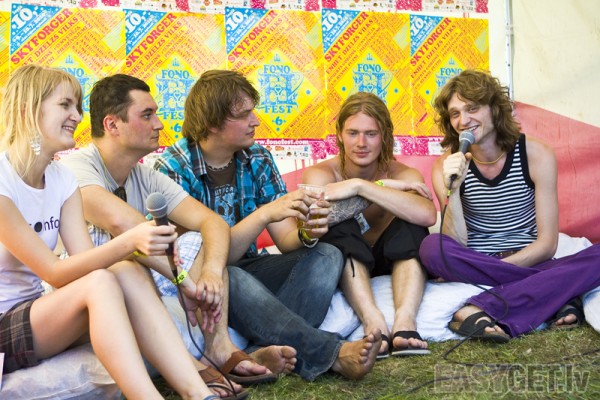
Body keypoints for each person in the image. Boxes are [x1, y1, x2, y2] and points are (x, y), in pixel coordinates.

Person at [60, 74, 292, 399]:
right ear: (112, 124)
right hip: (88, 295)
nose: (159, 123)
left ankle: (219, 348)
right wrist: (184, 281)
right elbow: (124, 226)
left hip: (147, 285)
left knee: (200, 241)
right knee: (126, 262)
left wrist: (210, 273)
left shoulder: (145, 174)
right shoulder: (76, 166)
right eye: (147, 115)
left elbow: (212, 222)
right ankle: (195, 368)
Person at [0, 64, 218, 400]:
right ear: (27, 109)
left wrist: (182, 282)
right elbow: (55, 273)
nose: (76, 116)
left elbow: (86, 262)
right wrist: (130, 240)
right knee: (102, 280)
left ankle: (198, 392)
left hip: (37, 313)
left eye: (77, 107)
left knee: (122, 270)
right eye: (65, 105)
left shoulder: (62, 179)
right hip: (6, 324)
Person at [154, 69, 382, 381]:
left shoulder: (258, 157)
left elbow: (285, 240)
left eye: (254, 111)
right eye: (244, 114)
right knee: (231, 274)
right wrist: (263, 215)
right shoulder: (172, 167)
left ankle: (259, 351)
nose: (256, 121)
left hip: (252, 267)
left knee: (328, 255)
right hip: (205, 277)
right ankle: (331, 354)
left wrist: (306, 233)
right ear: (212, 123)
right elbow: (199, 258)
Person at [419, 69, 600, 341]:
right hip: (477, 258)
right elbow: (454, 244)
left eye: (472, 108)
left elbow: (547, 244)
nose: (463, 121)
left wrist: (505, 268)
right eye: (455, 113)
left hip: (529, 257)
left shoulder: (536, 154)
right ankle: (555, 290)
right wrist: (453, 191)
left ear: (494, 109)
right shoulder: (445, 166)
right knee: (432, 247)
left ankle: (482, 307)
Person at [302, 92, 437, 358]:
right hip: (348, 261)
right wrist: (380, 188)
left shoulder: (403, 173)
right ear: (340, 135)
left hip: (392, 257)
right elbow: (314, 217)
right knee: (339, 226)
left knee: (411, 225)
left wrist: (361, 186)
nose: (361, 143)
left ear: (384, 136)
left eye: (371, 134)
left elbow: (427, 216)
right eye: (353, 133)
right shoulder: (322, 173)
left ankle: (405, 321)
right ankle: (372, 319)